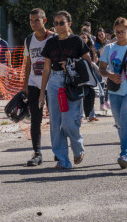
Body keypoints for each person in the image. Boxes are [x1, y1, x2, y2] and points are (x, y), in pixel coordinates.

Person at [38, 11, 94, 169]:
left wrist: (71, 64)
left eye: (61, 23)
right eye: (55, 23)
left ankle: (78, 148)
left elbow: (88, 62)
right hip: (54, 81)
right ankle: (63, 160)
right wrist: (42, 93)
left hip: (72, 82)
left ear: (69, 23)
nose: (58, 26)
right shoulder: (50, 43)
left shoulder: (76, 40)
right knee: (55, 123)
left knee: (69, 122)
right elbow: (46, 69)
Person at [99, 18, 127, 168]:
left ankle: (125, 153)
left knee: (126, 122)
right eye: (117, 32)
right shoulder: (109, 48)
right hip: (114, 92)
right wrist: (110, 75)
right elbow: (101, 69)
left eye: (122, 31)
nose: (119, 34)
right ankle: (126, 144)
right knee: (119, 123)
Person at [23, 8, 54, 166]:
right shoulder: (29, 40)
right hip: (34, 84)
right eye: (31, 20)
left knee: (55, 118)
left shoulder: (54, 38)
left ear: (44, 21)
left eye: (37, 20)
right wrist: (25, 86)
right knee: (35, 119)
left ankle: (58, 150)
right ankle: (37, 152)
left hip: (52, 84)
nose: (33, 23)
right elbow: (28, 64)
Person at [80, 32, 99, 121]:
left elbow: (95, 60)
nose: (83, 39)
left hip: (90, 74)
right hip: (80, 75)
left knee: (91, 94)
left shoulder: (91, 50)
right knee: (80, 95)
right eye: (81, 37)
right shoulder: (76, 48)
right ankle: (81, 115)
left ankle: (92, 115)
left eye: (85, 37)